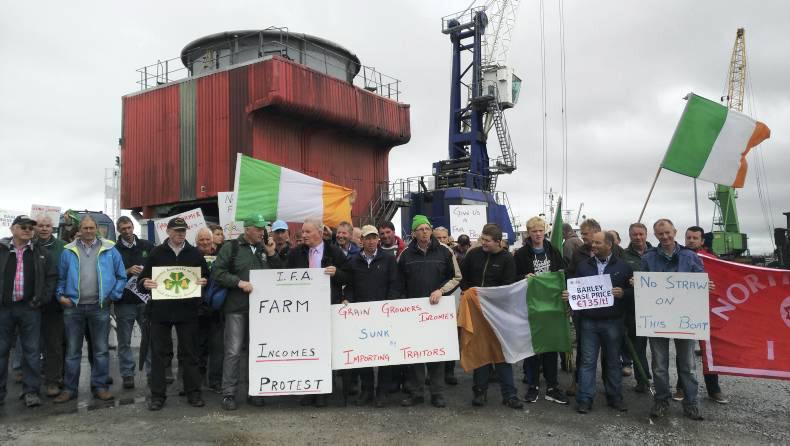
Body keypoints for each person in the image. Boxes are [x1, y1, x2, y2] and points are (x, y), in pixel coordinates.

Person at [138, 217, 209, 411]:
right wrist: (145, 283)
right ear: (168, 231)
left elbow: (206, 277)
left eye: (183, 230)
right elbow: (143, 279)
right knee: (159, 355)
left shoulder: (194, 254)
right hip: (161, 311)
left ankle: (193, 392)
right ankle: (157, 395)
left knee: (190, 354)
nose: (180, 234)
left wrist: (204, 282)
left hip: (187, 311)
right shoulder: (156, 253)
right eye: (177, 230)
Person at [54, 215, 126, 403]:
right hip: (73, 307)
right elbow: (60, 278)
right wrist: (60, 296)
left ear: (97, 229)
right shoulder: (68, 251)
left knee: (101, 350)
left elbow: (121, 276)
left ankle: (100, 387)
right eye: (85, 228)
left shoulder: (110, 249)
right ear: (80, 230)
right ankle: (70, 390)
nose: (88, 231)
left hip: (99, 307)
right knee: (72, 351)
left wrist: (113, 295)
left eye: (91, 228)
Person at [641, 218, 706, 421]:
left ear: (675, 232)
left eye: (668, 232)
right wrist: (636, 282)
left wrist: (707, 285)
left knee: (688, 365)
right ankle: (661, 401)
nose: (665, 237)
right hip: (657, 320)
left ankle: (691, 403)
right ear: (656, 236)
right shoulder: (648, 258)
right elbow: (642, 284)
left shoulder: (690, 256)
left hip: (685, 319)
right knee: (659, 365)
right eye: (660, 234)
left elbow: (701, 280)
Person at [212, 215, 279, 410]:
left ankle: (255, 391)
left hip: (260, 310)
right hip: (236, 308)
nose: (261, 232)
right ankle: (229, 393)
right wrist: (238, 283)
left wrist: (272, 253)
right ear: (247, 229)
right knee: (233, 351)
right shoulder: (230, 247)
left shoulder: (263, 249)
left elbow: (279, 272)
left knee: (256, 351)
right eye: (258, 229)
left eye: (262, 229)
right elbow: (218, 272)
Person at [398, 215, 461, 408]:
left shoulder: (445, 251)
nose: (424, 232)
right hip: (413, 313)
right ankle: (417, 393)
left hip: (437, 312)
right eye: (420, 229)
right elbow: (399, 283)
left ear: (431, 230)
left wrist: (440, 291)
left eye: (427, 228)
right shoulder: (405, 255)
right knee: (416, 353)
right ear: (414, 233)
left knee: (436, 354)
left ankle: (437, 393)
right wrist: (402, 305)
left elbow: (457, 277)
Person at [565, 231, 632, 414]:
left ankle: (615, 397)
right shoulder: (583, 266)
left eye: (597, 243)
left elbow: (633, 292)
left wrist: (624, 293)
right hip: (589, 322)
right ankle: (585, 399)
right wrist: (569, 296)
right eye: (592, 243)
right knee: (587, 362)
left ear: (609, 245)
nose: (592, 246)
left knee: (612, 361)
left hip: (613, 322)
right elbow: (575, 288)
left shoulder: (624, 267)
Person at [285, 217, 350, 407]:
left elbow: (349, 276)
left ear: (320, 233)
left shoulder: (335, 252)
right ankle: (308, 389)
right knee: (307, 349)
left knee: (325, 350)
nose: (303, 235)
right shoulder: (295, 254)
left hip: (327, 307)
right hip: (303, 310)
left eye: (307, 232)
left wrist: (336, 273)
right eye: (302, 232)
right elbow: (286, 279)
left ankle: (323, 391)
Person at [460, 223, 523, 409]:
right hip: (477, 313)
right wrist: (468, 291)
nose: (483, 243)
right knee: (480, 352)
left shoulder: (507, 259)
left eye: (487, 241)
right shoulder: (473, 255)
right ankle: (479, 392)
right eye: (482, 239)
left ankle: (509, 395)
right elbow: (462, 277)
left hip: (499, 315)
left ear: (498, 242)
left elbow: (509, 286)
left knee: (502, 354)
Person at [0, 215, 57, 407]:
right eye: (23, 227)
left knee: (32, 351)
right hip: (4, 309)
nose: (27, 230)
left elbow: (51, 278)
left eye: (30, 228)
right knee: (1, 351)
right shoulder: (1, 250)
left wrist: (42, 299)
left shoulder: (40, 252)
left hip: (30, 309)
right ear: (13, 229)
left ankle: (31, 392)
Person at [343, 225, 401, 407]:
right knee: (364, 355)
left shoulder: (388, 260)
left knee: (385, 355)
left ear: (378, 240)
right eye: (367, 238)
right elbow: (350, 287)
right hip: (361, 316)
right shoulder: (354, 262)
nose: (371, 241)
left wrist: (389, 304)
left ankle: (382, 392)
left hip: (384, 315)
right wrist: (347, 300)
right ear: (361, 241)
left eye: (374, 237)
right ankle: (367, 390)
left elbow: (395, 284)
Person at [513, 216, 568, 405]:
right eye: (534, 231)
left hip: (551, 307)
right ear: (528, 233)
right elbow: (514, 276)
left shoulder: (553, 251)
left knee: (551, 347)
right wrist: (523, 276)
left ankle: (552, 386)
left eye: (540, 231)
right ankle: (533, 385)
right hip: (532, 306)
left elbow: (562, 273)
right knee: (533, 348)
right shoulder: (521, 254)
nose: (537, 234)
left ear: (545, 232)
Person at [672, 226, 728, 404]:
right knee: (683, 352)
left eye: (695, 238)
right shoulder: (677, 257)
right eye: (688, 237)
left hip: (709, 311)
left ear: (702, 241)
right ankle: (681, 387)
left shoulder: (713, 260)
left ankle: (714, 389)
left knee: (709, 351)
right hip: (685, 311)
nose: (691, 240)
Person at [113, 216, 154, 390]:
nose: (127, 231)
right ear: (118, 230)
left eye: (129, 227)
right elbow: (110, 273)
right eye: (123, 229)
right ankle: (127, 374)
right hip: (124, 301)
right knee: (124, 341)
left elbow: (157, 266)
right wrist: (127, 270)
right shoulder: (114, 250)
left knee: (150, 339)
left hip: (145, 300)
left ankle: (153, 372)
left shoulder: (147, 246)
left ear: (133, 227)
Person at [34, 215, 67, 398]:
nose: (44, 229)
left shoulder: (62, 246)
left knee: (54, 344)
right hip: (31, 303)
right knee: (31, 346)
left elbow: (67, 271)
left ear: (52, 227)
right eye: (41, 225)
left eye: (47, 225)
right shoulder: (30, 245)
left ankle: (53, 380)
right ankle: (31, 384)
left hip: (55, 302)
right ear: (35, 227)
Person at [620, 223, 652, 393]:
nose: (638, 237)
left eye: (641, 234)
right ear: (630, 235)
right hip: (634, 310)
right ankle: (643, 379)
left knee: (658, 350)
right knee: (638, 348)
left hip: (658, 308)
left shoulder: (656, 253)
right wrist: (628, 283)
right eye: (634, 235)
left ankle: (663, 383)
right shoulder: (624, 257)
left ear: (646, 234)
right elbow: (619, 280)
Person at [195, 227, 223, 393]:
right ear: (196, 242)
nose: (205, 243)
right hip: (196, 307)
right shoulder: (190, 255)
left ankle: (215, 380)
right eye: (201, 240)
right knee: (198, 346)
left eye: (207, 239)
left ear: (212, 240)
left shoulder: (221, 255)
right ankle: (198, 379)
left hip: (216, 308)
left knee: (217, 347)